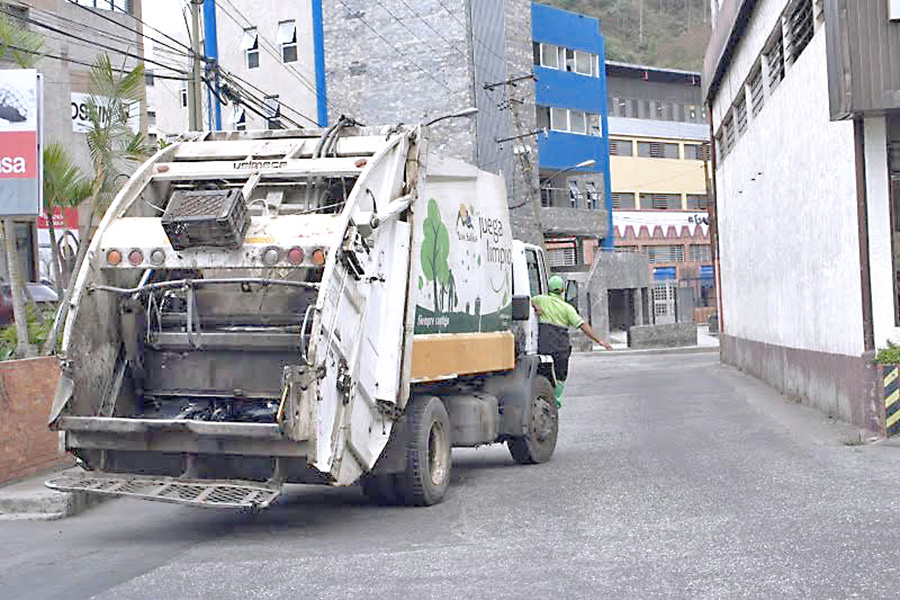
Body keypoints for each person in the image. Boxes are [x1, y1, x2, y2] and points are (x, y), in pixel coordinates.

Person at [531, 275, 613, 407]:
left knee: (543, 373)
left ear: (549, 289)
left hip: (543, 347)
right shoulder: (567, 308)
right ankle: (556, 402)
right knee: (560, 377)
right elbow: (583, 325)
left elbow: (527, 299)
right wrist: (600, 341)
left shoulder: (540, 300)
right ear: (563, 290)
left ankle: (544, 398)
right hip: (560, 349)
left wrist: (536, 307)